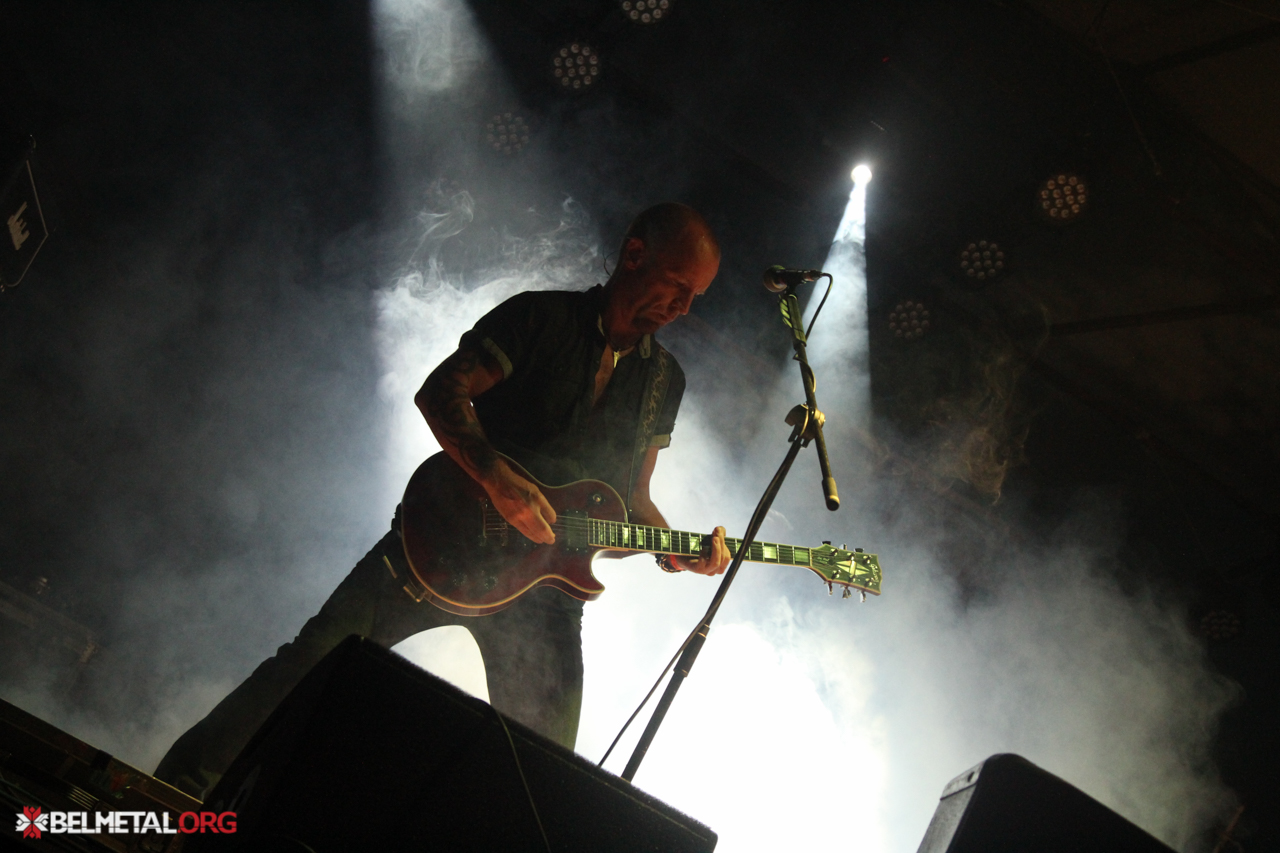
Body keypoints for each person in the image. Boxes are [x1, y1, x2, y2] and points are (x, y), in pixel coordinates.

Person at [154, 202, 732, 799]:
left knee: (540, 778)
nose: (684, 308)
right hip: (442, 541)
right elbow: (441, 390)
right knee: (304, 672)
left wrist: (677, 550)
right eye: (678, 286)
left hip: (544, 594)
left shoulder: (664, 381)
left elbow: (633, 497)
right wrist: (496, 478)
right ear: (635, 255)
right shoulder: (540, 317)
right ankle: (168, 799)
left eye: (696, 297)